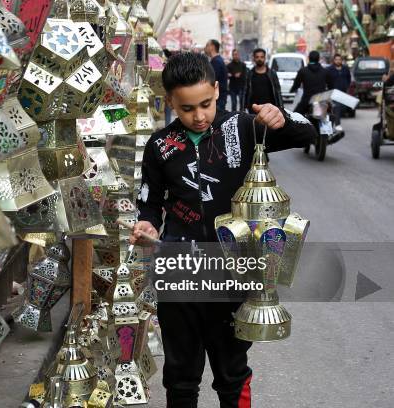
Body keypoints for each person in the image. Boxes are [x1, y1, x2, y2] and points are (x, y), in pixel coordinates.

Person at [130, 52, 316, 408]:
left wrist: (280, 117)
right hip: (179, 271)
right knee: (181, 375)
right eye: (187, 109)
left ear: (217, 91)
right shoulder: (159, 147)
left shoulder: (246, 128)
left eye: (206, 104)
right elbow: (150, 202)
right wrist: (147, 223)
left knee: (232, 371)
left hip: (235, 271)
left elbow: (307, 133)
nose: (199, 116)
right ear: (170, 101)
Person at [290, 50, 333, 115]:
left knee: (295, 116)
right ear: (319, 59)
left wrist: (292, 90)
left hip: (306, 101)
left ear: (309, 58)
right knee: (330, 115)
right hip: (321, 100)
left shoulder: (303, 71)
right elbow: (331, 86)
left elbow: (296, 84)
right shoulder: (325, 71)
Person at [326, 53, 352, 125]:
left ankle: (332, 123)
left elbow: (349, 78)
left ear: (341, 60)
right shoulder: (329, 69)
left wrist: (347, 86)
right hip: (333, 92)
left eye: (339, 60)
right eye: (336, 60)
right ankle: (336, 124)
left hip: (343, 92)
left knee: (341, 109)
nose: (338, 61)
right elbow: (326, 80)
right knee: (336, 108)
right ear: (333, 60)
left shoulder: (345, 68)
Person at [205, 39, 228, 110]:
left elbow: (211, 80)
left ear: (212, 47)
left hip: (218, 100)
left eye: (206, 46)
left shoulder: (216, 62)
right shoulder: (217, 60)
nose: (205, 48)